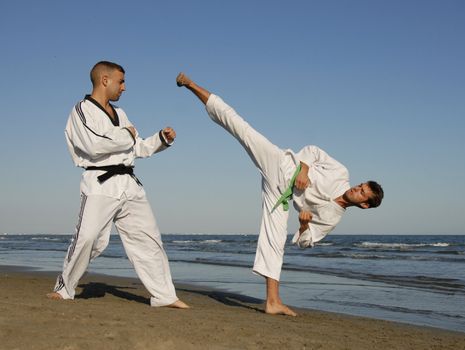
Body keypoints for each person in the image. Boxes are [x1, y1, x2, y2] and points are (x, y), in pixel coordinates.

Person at [176, 72, 383, 316]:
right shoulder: (341, 172)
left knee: (276, 243)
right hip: (283, 165)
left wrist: (304, 226)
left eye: (361, 193)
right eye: (359, 185)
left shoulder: (333, 218)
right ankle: (191, 85)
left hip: (281, 197)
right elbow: (313, 151)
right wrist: (304, 169)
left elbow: (307, 242)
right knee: (240, 127)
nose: (355, 189)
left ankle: (272, 301)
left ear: (365, 205)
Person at [47, 61, 189, 309]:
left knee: (148, 240)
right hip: (100, 183)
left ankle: (165, 295)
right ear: (104, 80)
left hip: (129, 184)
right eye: (120, 81)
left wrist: (160, 140)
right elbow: (94, 144)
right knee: (89, 239)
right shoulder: (81, 110)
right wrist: (127, 135)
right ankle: (65, 288)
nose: (124, 87)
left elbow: (137, 147)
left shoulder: (121, 114)